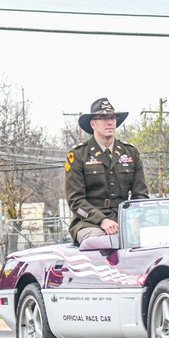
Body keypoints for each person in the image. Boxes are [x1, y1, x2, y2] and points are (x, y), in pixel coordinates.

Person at [65, 98, 149, 244]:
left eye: (112, 118)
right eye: (103, 118)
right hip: (88, 222)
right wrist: (102, 220)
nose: (109, 122)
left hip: (124, 219)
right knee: (102, 243)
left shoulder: (130, 153)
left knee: (149, 240)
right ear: (93, 124)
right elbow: (75, 201)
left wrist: (132, 218)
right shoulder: (79, 155)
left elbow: (140, 195)